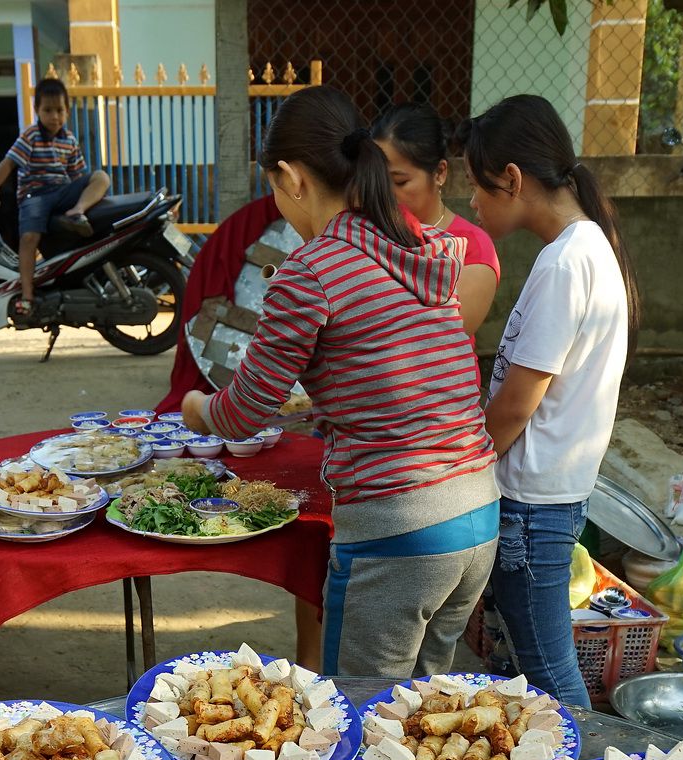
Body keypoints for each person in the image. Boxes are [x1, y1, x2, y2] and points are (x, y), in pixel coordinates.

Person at [180, 85, 499, 679]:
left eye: (273, 187)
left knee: (361, 713)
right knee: (430, 715)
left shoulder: (311, 273)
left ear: (292, 178)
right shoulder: (419, 248)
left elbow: (245, 412)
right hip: (478, 512)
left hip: (400, 525)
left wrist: (197, 408)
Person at [463, 94, 638, 710]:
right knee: (535, 664)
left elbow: (517, 404)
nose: (472, 203)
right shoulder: (582, 248)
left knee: (551, 674)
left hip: (534, 506)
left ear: (512, 179)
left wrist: (464, 465)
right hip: (547, 497)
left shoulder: (566, 262)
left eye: (478, 187)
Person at [0, 76, 110, 320]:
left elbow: (78, 175)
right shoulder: (30, 136)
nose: (54, 116)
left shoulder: (69, 140)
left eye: (60, 110)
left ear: (68, 112)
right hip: (35, 195)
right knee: (28, 238)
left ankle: (78, 212)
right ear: (37, 110)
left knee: (101, 177)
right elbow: (9, 163)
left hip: (62, 193)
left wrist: (79, 200)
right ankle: (27, 295)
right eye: (48, 110)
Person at [370, 104, 500, 334]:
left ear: (439, 173)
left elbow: (439, 338)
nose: (385, 193)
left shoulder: (473, 248)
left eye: (399, 182)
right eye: (377, 180)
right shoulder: (366, 229)